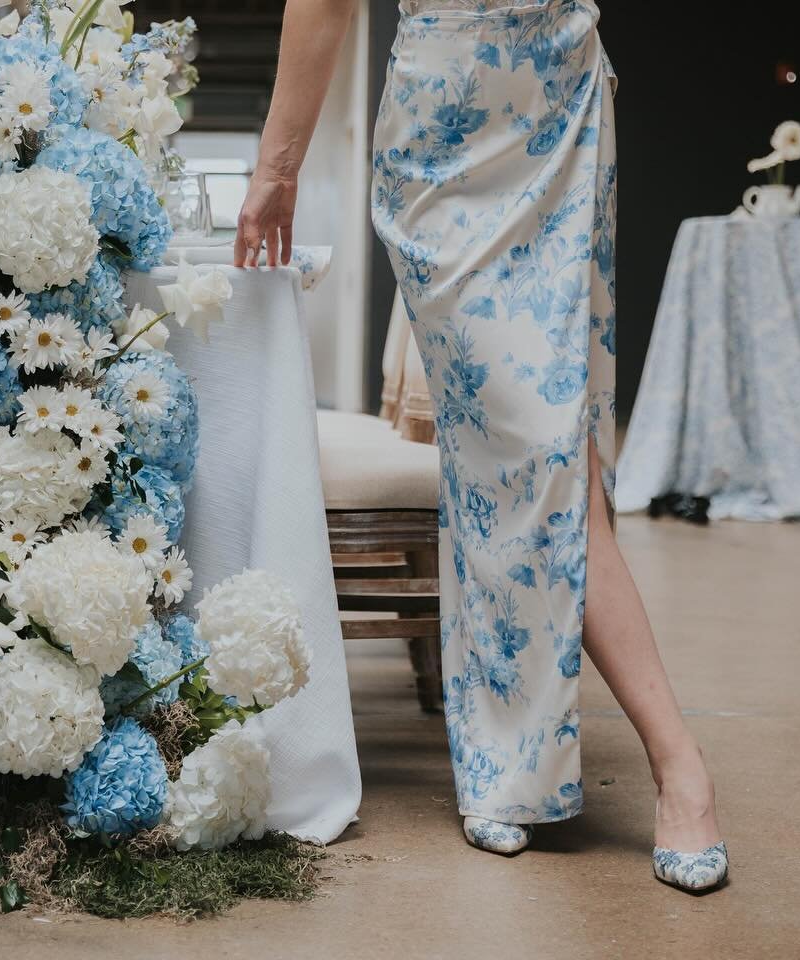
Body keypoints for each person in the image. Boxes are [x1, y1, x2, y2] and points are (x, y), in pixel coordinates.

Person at [235, 0, 728, 893]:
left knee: (543, 455)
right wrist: (280, 164)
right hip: (447, 135)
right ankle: (642, 760)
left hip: (561, 100)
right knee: (522, 452)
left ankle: (553, 764)